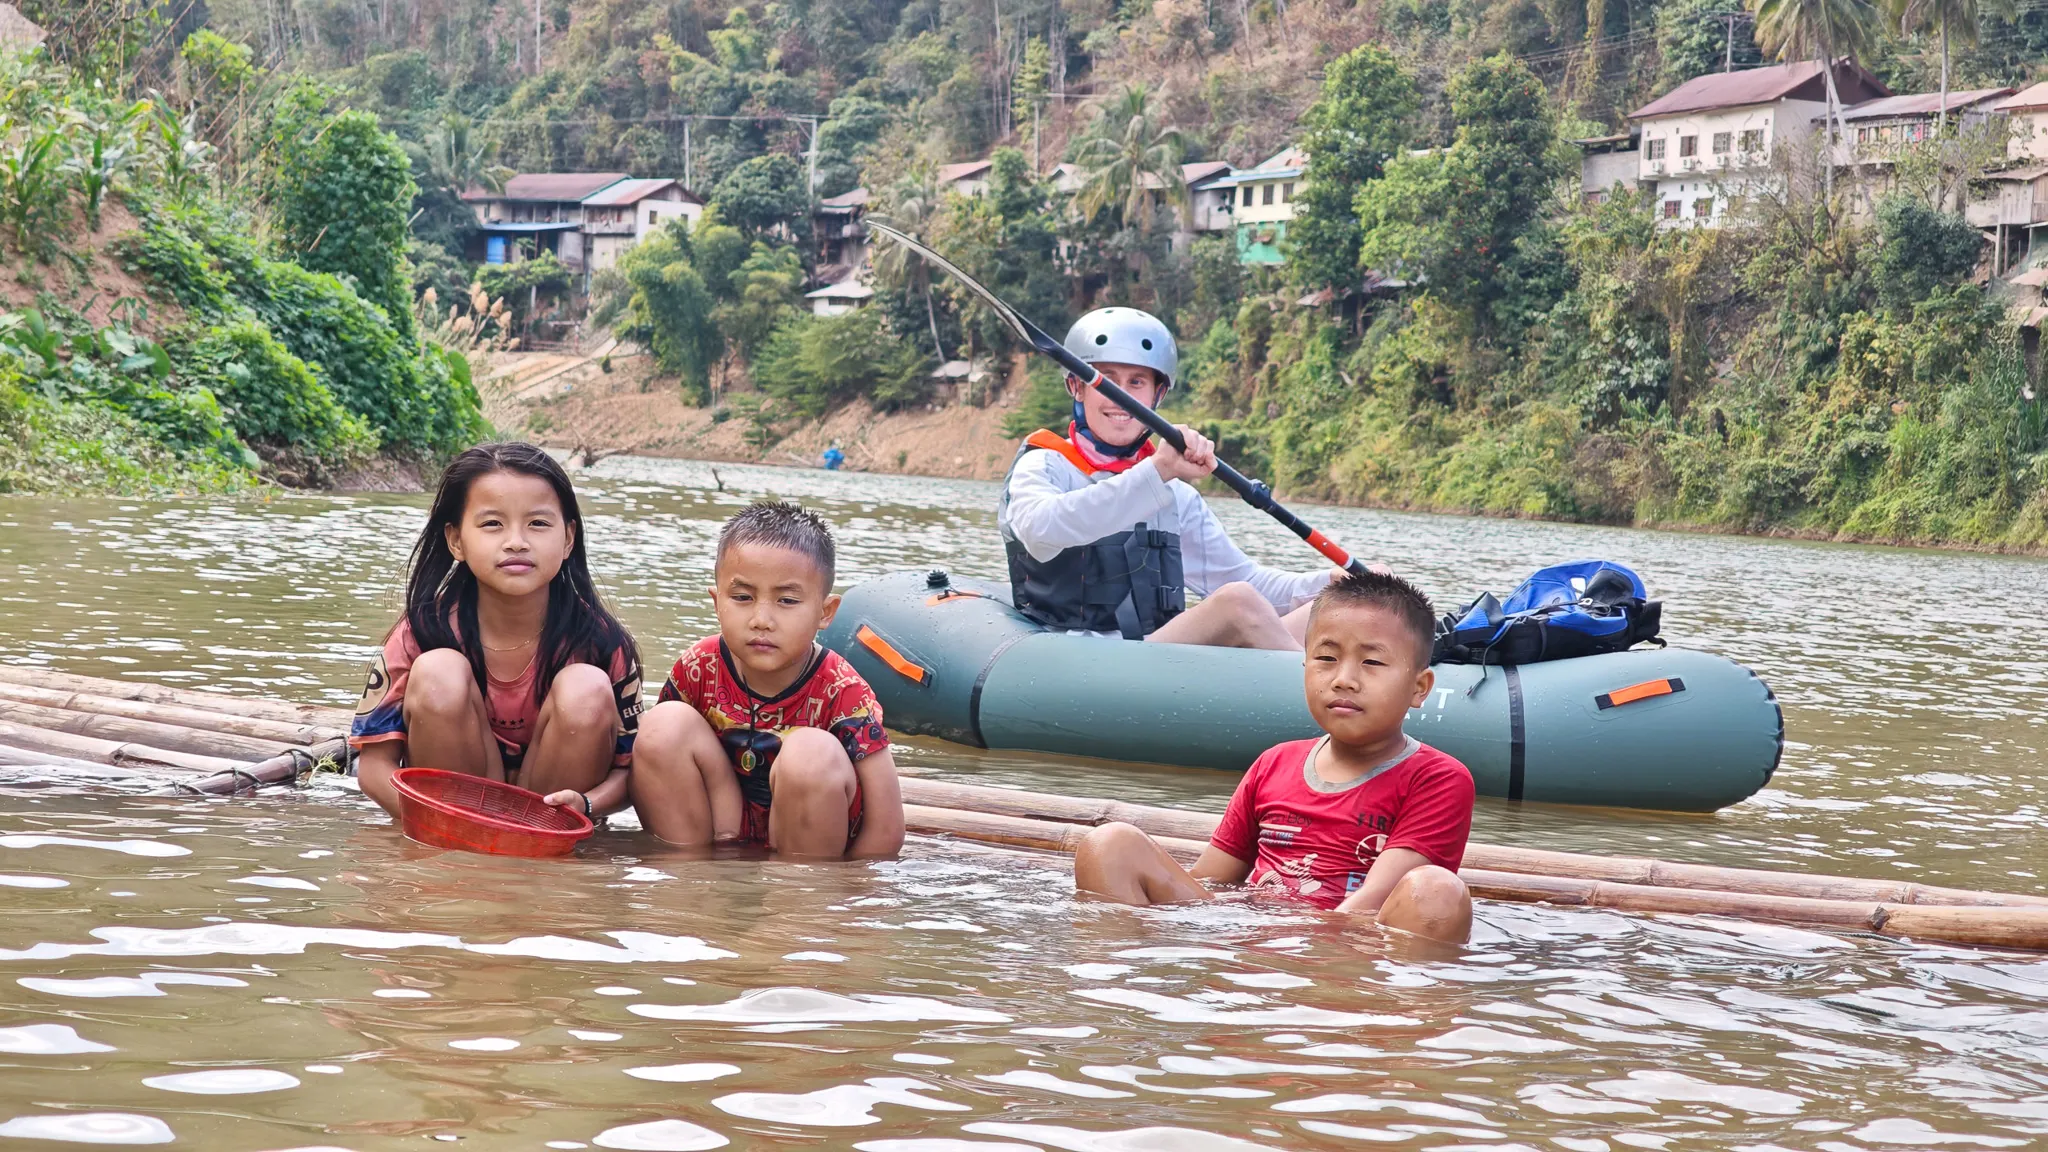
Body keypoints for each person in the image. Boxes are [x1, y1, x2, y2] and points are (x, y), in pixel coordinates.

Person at [1072, 570, 1475, 944]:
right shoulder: (1274, 763)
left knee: (1437, 892)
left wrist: (1296, 946)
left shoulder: (1438, 778)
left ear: (1419, 688)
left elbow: (1374, 901)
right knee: (1111, 843)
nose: (1343, 679)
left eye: (1371, 662)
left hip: (1353, 946)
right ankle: (1120, 981)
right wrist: (1209, 933)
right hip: (1251, 935)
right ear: (1304, 666)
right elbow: (1212, 882)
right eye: (1326, 658)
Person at [998, 307, 1347, 650]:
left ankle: (1361, 694)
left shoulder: (1176, 496)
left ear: (1157, 395)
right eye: (1104, 380)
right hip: (1072, 658)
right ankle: (1314, 697)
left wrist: (1330, 584)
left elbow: (1246, 580)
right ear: (1077, 387)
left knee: (1353, 600)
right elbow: (1042, 530)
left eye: (1136, 382)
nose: (1121, 397)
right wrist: (1158, 470)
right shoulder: (1045, 463)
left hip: (1156, 661)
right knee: (1237, 603)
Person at [350, 443, 643, 823]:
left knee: (586, 686)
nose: (516, 541)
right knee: (439, 672)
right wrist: (438, 825)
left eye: (538, 523)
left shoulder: (600, 641)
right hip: (452, 816)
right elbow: (374, 768)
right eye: (493, 524)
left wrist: (586, 807)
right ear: (456, 540)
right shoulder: (423, 630)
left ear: (568, 538)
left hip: (551, 821)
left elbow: (629, 772)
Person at [630, 499, 904, 859]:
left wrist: (847, 900)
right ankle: (691, 878)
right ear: (717, 603)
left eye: (787, 601)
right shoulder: (699, 666)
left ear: (825, 613)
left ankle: (793, 899)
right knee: (662, 725)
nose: (761, 619)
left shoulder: (843, 691)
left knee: (811, 754)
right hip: (722, 827)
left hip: (808, 845)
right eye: (742, 597)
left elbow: (886, 830)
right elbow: (653, 764)